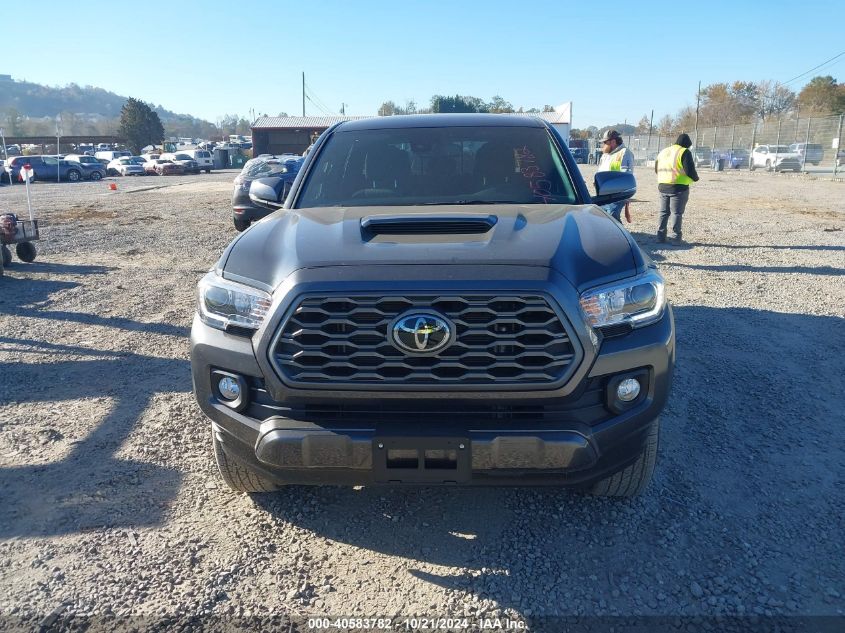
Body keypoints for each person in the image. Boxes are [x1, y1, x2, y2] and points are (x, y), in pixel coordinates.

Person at [654, 133, 699, 243]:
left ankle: (660, 237)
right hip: (678, 188)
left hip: (662, 186)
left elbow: (656, 168)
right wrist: (695, 178)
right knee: (676, 213)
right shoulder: (684, 151)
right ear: (686, 144)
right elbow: (689, 170)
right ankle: (675, 238)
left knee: (663, 212)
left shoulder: (663, 151)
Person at [596, 129, 634, 222]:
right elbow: (600, 170)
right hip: (604, 192)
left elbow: (626, 175)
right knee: (602, 215)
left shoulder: (625, 153)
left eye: (605, 142)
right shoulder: (605, 155)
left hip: (617, 193)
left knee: (612, 215)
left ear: (613, 141)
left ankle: (618, 235)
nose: (603, 145)